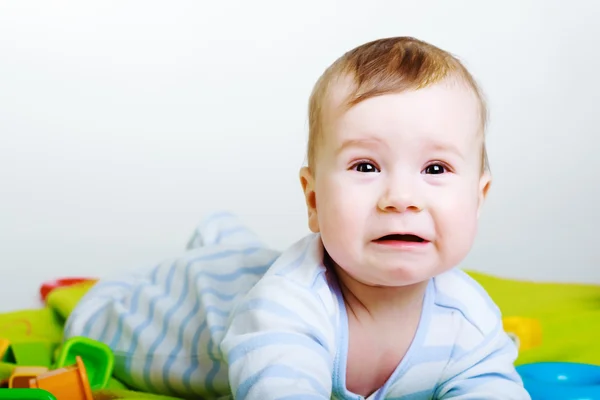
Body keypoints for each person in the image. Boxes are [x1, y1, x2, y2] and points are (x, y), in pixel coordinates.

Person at [64, 36, 531, 399]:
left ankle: (221, 234)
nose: (401, 198)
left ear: (478, 197)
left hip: (253, 270)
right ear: (312, 200)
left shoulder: (469, 320)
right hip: (192, 311)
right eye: (365, 167)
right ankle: (216, 241)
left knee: (242, 252)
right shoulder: (285, 307)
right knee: (113, 310)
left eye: (436, 168)